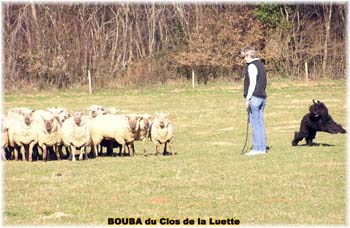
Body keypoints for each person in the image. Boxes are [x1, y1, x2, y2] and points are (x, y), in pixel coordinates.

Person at [241, 46, 267, 156]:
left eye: (244, 57)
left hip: (255, 97)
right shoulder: (261, 64)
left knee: (255, 124)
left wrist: (248, 99)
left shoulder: (252, 66)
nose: (243, 59)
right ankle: (262, 148)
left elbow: (252, 83)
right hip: (262, 97)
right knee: (260, 123)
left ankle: (257, 148)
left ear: (248, 55)